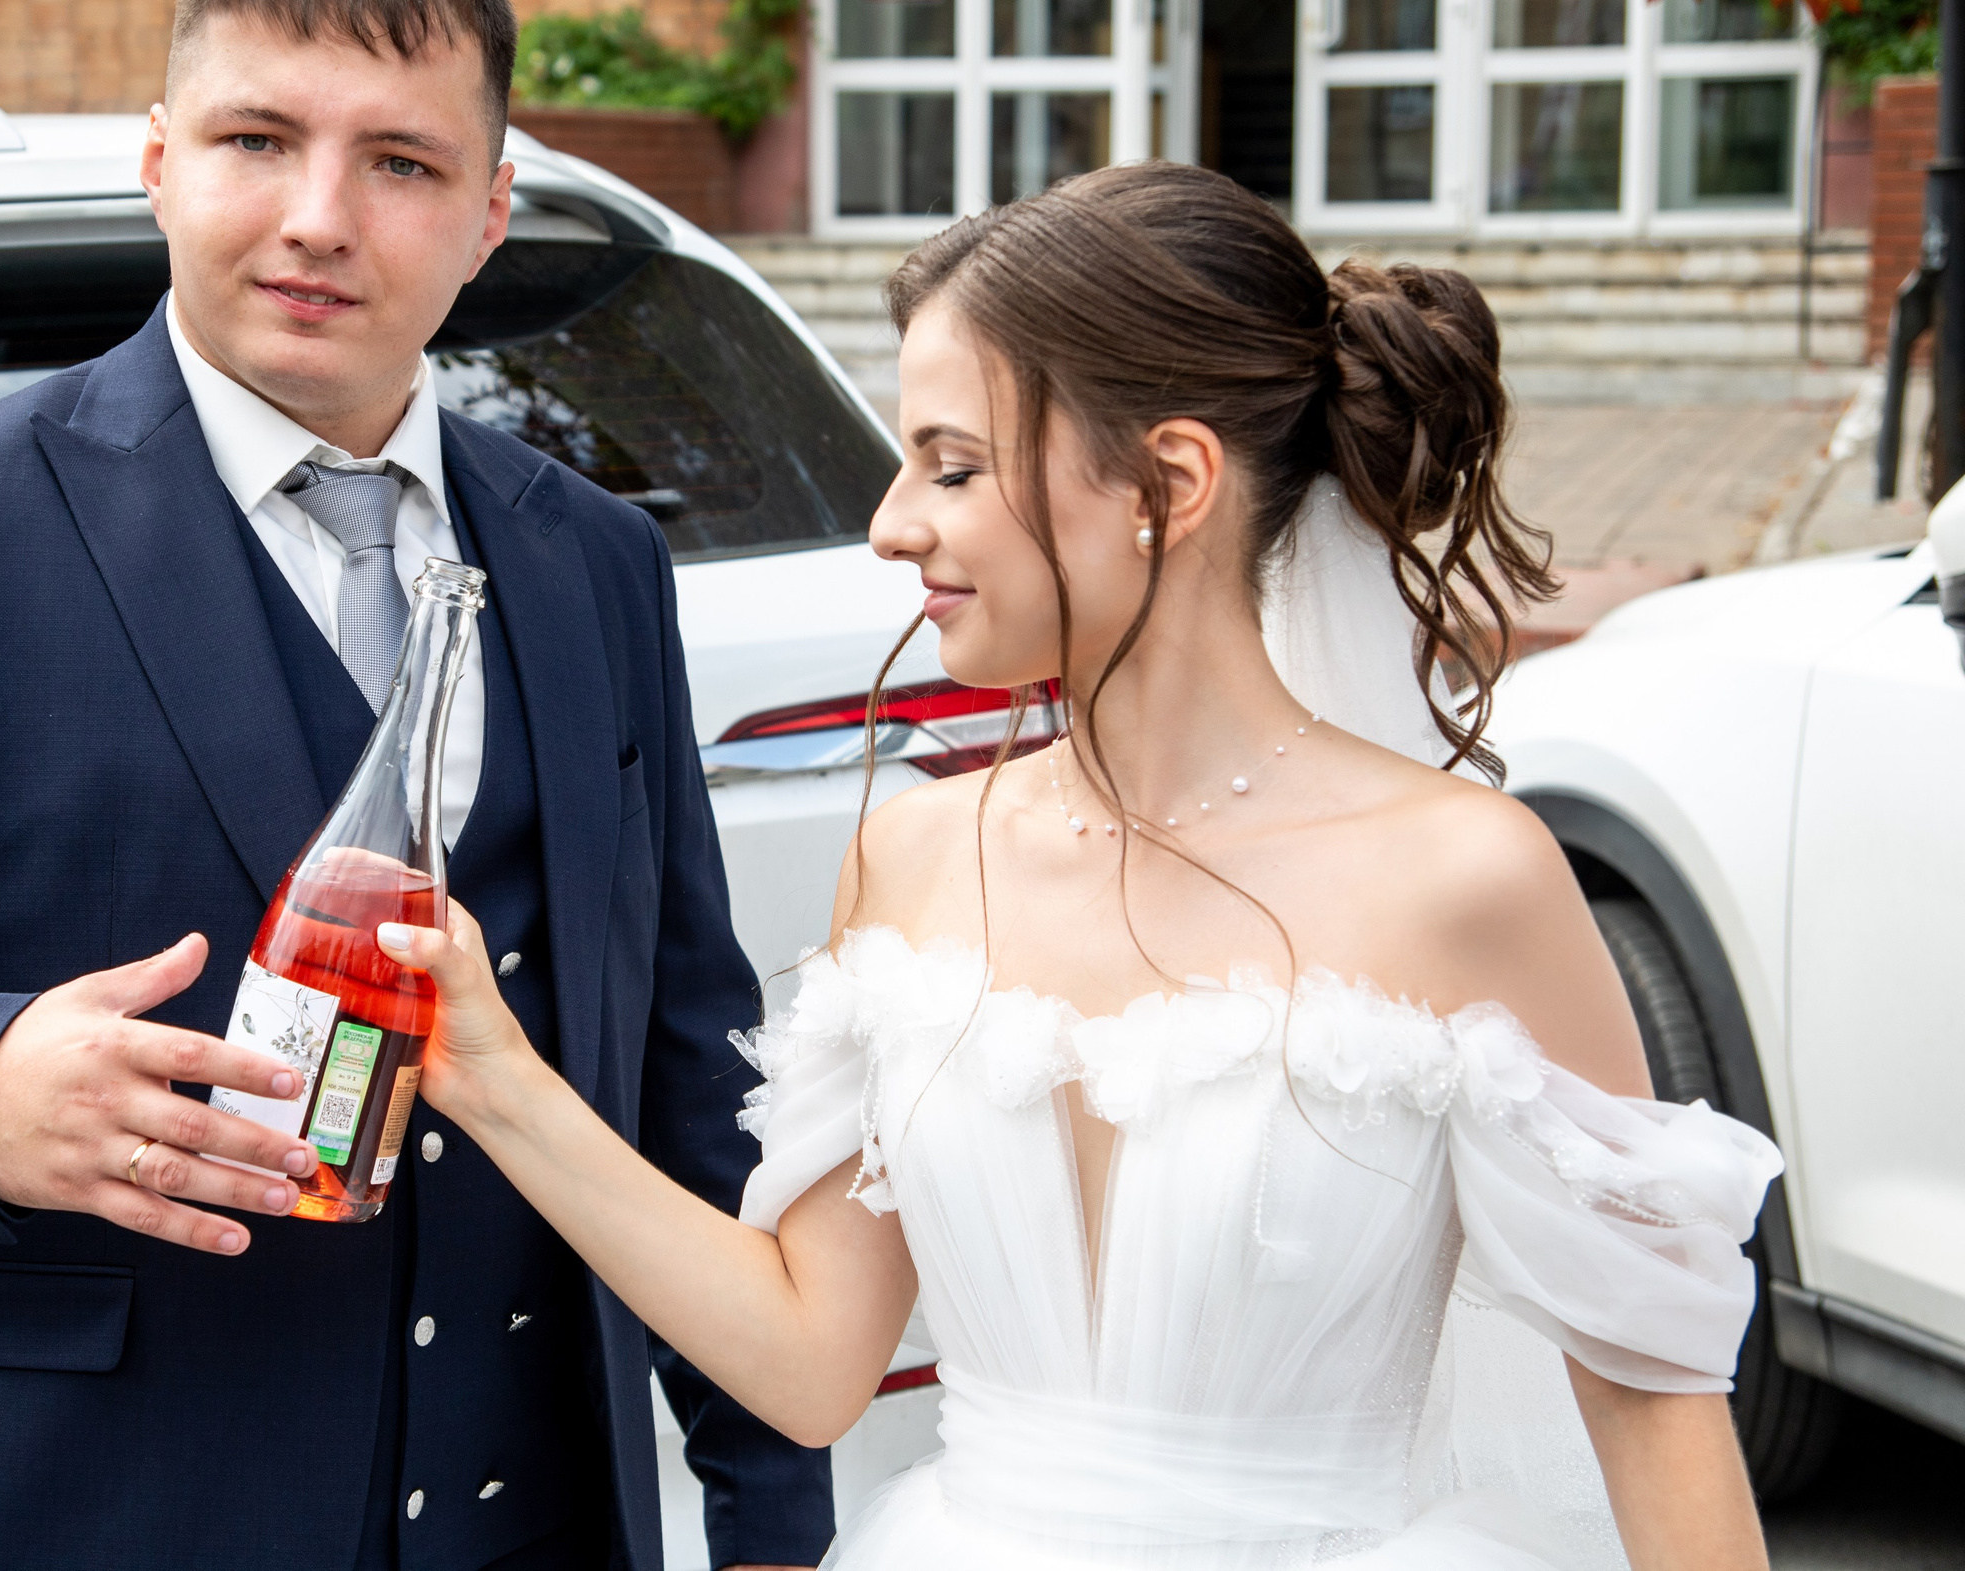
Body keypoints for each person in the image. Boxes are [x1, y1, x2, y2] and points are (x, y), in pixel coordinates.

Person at [0, 0, 831, 1571]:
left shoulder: (596, 556)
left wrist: (769, 1511)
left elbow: (687, 1054)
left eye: (400, 163)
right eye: (259, 137)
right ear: (160, 162)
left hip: (528, 1515)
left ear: (489, 213)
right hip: (72, 1506)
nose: (319, 217)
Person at [383, 162, 1786, 1570]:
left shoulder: (1465, 878)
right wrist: (504, 1083)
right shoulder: (913, 858)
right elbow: (813, 1364)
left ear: (1168, 484)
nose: (890, 523)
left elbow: (1657, 1410)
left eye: (952, 465)